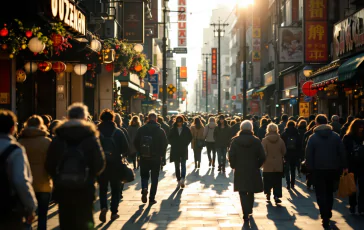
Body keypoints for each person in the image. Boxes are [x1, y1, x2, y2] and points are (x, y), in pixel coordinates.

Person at [45, 103, 105, 230]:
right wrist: (91, 176)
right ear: (84, 118)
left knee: (67, 222)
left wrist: (57, 178)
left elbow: (49, 164)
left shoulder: (59, 137)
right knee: (86, 221)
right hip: (85, 188)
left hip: (63, 188)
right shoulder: (90, 137)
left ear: (68, 117)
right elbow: (99, 163)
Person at [305, 114, 347, 229]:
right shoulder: (336, 136)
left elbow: (308, 155)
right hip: (333, 168)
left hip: (318, 169)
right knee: (329, 192)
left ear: (317, 123)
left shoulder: (313, 138)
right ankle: (328, 211)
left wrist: (310, 168)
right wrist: (343, 165)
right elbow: (342, 152)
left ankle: (324, 214)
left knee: (320, 193)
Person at [0, 110, 37, 230]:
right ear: (12, 128)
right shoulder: (15, 150)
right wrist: (31, 206)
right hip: (7, 207)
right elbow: (20, 181)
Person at [18, 115, 52, 230]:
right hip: (43, 184)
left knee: (27, 216)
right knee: (42, 216)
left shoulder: (20, 141)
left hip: (25, 183)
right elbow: (52, 164)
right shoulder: (47, 142)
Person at [229, 120, 266, 222]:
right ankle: (249, 209)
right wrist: (257, 165)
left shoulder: (235, 141)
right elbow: (262, 156)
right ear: (251, 129)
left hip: (240, 169)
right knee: (251, 190)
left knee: (242, 191)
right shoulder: (256, 141)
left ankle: (245, 212)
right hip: (252, 169)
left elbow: (231, 155)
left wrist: (233, 165)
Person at [97, 109, 129, 222]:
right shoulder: (118, 132)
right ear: (112, 118)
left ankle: (103, 207)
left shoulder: (96, 132)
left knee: (103, 189)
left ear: (101, 119)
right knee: (115, 189)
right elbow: (126, 148)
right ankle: (114, 212)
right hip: (115, 164)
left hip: (101, 165)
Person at [134, 112, 167, 205]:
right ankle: (151, 198)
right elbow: (165, 144)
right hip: (156, 157)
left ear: (148, 119)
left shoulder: (141, 129)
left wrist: (140, 152)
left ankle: (144, 188)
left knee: (144, 175)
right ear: (156, 119)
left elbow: (135, 141)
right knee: (154, 178)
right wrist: (161, 155)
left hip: (144, 156)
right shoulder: (160, 131)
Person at [342, 119, 364, 215]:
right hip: (355, 165)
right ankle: (358, 206)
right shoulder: (348, 137)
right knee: (356, 187)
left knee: (354, 187)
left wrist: (345, 165)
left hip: (352, 165)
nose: (361, 129)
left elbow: (344, 153)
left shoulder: (347, 137)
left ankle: (355, 206)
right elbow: (344, 153)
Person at [262, 123, 286, 204]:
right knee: (277, 181)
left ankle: (268, 193)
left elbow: (263, 152)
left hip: (267, 164)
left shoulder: (264, 140)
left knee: (267, 179)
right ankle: (276, 195)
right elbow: (284, 151)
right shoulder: (280, 140)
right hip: (278, 164)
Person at [169, 115, 192, 188]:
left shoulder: (186, 129)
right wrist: (173, 143)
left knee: (183, 164)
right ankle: (178, 179)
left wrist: (186, 143)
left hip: (183, 148)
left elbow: (190, 137)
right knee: (176, 165)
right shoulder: (173, 129)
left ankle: (182, 178)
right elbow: (169, 138)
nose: (179, 123)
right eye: (178, 121)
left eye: (180, 121)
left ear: (182, 121)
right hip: (175, 149)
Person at [281, 120, 301, 189]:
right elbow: (299, 145)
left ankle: (288, 184)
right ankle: (293, 183)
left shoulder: (284, 134)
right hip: (294, 154)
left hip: (286, 154)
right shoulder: (297, 134)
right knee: (293, 169)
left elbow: (282, 144)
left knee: (287, 169)